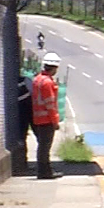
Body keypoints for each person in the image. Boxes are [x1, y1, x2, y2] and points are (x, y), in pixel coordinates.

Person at [31, 52, 62, 180]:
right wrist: (55, 121)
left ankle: (44, 170)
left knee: (42, 146)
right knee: (45, 147)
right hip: (46, 119)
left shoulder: (37, 79)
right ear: (54, 68)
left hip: (37, 118)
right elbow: (50, 104)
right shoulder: (47, 83)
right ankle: (45, 172)